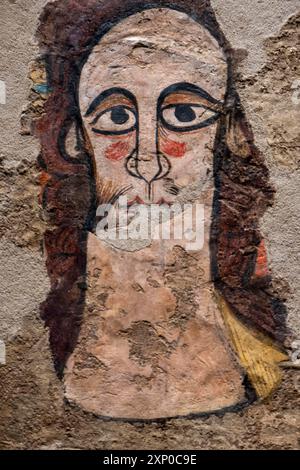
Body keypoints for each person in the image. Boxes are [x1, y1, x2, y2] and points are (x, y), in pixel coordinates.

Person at [37, 0, 287, 420]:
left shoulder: (267, 356)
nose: (147, 161)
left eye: (184, 114)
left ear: (226, 134)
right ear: (76, 139)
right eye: (116, 116)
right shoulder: (37, 352)